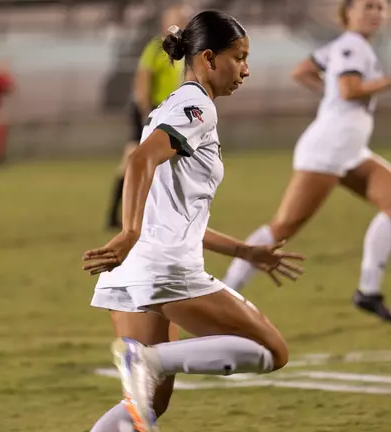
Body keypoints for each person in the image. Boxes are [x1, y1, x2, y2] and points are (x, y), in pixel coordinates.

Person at [83, 11, 305, 432]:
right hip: (164, 267)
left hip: (134, 271)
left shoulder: (174, 108)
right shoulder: (196, 105)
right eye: (238, 57)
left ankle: (144, 364)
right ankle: (146, 359)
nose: (246, 69)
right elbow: (140, 159)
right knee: (271, 351)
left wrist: (244, 251)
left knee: (145, 406)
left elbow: (171, 210)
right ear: (208, 58)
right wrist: (128, 232)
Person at [223, 0, 391, 324]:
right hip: (328, 149)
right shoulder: (353, 47)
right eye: (367, 7)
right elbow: (349, 89)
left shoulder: (346, 47)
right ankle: (225, 294)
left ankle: (368, 291)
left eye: (380, 8)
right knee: (282, 228)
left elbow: (303, 71)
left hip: (351, 151)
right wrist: (389, 82)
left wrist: (332, 96)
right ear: (347, 14)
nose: (376, 13)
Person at [106, 4, 191, 229]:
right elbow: (143, 80)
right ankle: (114, 214)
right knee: (132, 160)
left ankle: (159, 214)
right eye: (176, 20)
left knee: (164, 163)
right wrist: (147, 113)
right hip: (149, 111)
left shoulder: (182, 51)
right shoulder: (156, 47)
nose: (180, 24)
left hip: (165, 112)